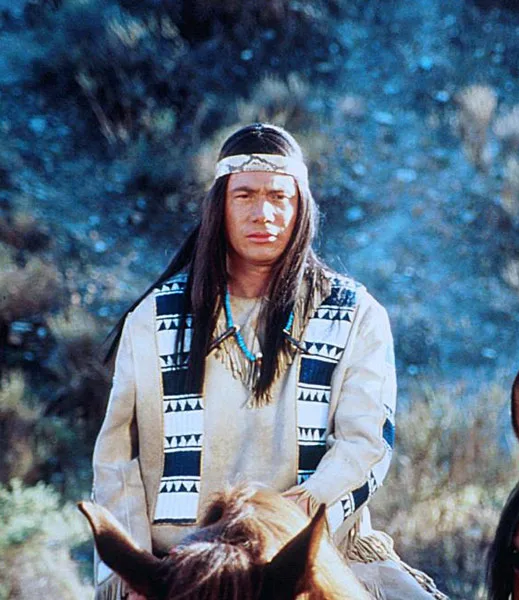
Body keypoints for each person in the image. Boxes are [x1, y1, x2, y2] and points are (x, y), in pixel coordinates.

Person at [92, 123, 446, 600]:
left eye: (280, 197)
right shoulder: (155, 320)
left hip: (318, 556)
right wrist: (135, 574)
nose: (264, 213)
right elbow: (117, 460)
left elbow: (366, 444)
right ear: (219, 205)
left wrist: (302, 510)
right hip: (178, 568)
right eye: (245, 196)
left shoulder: (355, 315)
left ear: (301, 208)